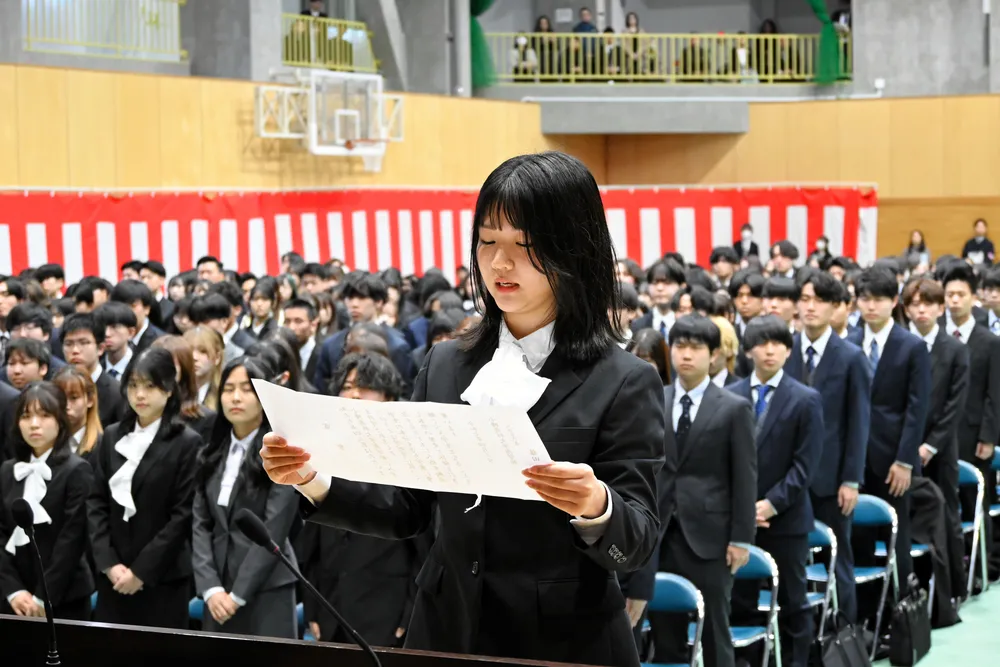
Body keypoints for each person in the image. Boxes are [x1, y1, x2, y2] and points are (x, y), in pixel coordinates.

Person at [262, 152, 665, 667]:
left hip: (562, 642)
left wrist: (596, 507)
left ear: (573, 249)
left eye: (525, 245)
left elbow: (637, 543)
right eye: (488, 240)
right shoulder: (447, 364)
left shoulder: (624, 380)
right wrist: (312, 477)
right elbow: (407, 508)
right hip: (446, 630)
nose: (499, 263)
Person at [298, 353, 431, 646]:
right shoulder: (323, 452)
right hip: (330, 609)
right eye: (346, 387)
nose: (353, 394)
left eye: (365, 386)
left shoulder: (406, 456)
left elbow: (422, 547)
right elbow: (312, 546)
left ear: (388, 396)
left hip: (385, 612)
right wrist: (313, 605)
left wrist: (409, 614)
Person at [645, 315, 755, 667]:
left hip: (711, 536)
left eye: (695, 348)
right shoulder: (654, 400)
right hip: (662, 531)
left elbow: (745, 477)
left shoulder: (733, 407)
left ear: (714, 355)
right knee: (665, 633)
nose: (686, 356)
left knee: (715, 631)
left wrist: (741, 538)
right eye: (679, 347)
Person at [728, 315, 823, 667]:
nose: (770, 350)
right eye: (762, 342)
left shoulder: (806, 399)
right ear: (749, 349)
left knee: (794, 601)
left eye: (779, 343)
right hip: (741, 521)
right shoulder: (731, 395)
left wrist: (769, 505)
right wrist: (743, 507)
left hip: (787, 520)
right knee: (741, 600)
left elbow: (805, 467)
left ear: (788, 349)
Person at [87, 348, 201, 629]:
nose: (140, 394)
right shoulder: (112, 435)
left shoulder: (187, 441)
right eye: (134, 385)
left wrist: (140, 571)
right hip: (113, 575)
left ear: (170, 389)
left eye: (150, 386)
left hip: (163, 578)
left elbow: (182, 514)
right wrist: (109, 563)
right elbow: (96, 503)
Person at [192, 356, 300, 639]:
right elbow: (200, 524)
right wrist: (212, 588)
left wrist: (237, 595)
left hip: (266, 587)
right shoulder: (211, 452)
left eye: (246, 389)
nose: (235, 398)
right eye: (228, 389)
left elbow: (274, 528)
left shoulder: (281, 451)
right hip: (217, 590)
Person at [784, 270, 870, 622]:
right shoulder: (784, 350)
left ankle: (844, 635)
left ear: (836, 307)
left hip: (831, 479)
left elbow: (859, 423)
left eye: (819, 300)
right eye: (804, 299)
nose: (810, 307)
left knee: (839, 558)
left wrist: (851, 479)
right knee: (792, 563)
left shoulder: (850, 357)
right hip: (787, 479)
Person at [847, 266, 930, 590]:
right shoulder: (850, 342)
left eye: (879, 299)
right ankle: (864, 621)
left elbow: (917, 409)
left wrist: (906, 460)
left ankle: (902, 615)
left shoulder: (911, 345)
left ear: (894, 301)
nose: (871, 306)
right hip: (855, 458)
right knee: (858, 540)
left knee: (898, 536)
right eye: (865, 299)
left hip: (895, 457)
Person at [0, 382, 94, 620]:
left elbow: (71, 541)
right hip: (14, 598)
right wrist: (13, 590)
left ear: (60, 420)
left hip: (64, 597)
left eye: (44, 415)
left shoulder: (77, 470)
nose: (34, 424)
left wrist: (44, 596)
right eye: (26, 416)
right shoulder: (8, 470)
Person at [903, 278, 969, 609]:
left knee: (948, 516)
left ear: (940, 308)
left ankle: (953, 589)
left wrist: (930, 446)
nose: (922, 309)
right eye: (915, 304)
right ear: (907, 309)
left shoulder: (954, 349)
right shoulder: (900, 346)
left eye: (928, 303)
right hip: (903, 449)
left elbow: (955, 406)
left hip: (941, 450)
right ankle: (914, 588)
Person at [937, 262, 1000, 586]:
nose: (955, 300)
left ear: (973, 297)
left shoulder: (989, 342)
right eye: (949, 294)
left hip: (974, 434)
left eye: (961, 294)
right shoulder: (937, 335)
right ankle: (954, 571)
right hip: (941, 434)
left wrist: (989, 436)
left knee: (977, 501)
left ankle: (982, 567)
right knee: (946, 505)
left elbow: (994, 393)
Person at [60, 312, 125, 428]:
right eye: (68, 344)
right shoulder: (54, 387)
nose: (75, 350)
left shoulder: (117, 393)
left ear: (100, 348)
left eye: (83, 343)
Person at [52, 366, 104, 460]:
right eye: (60, 398)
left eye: (74, 397)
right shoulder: (46, 443)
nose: (66, 406)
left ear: (90, 400)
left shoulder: (102, 446)